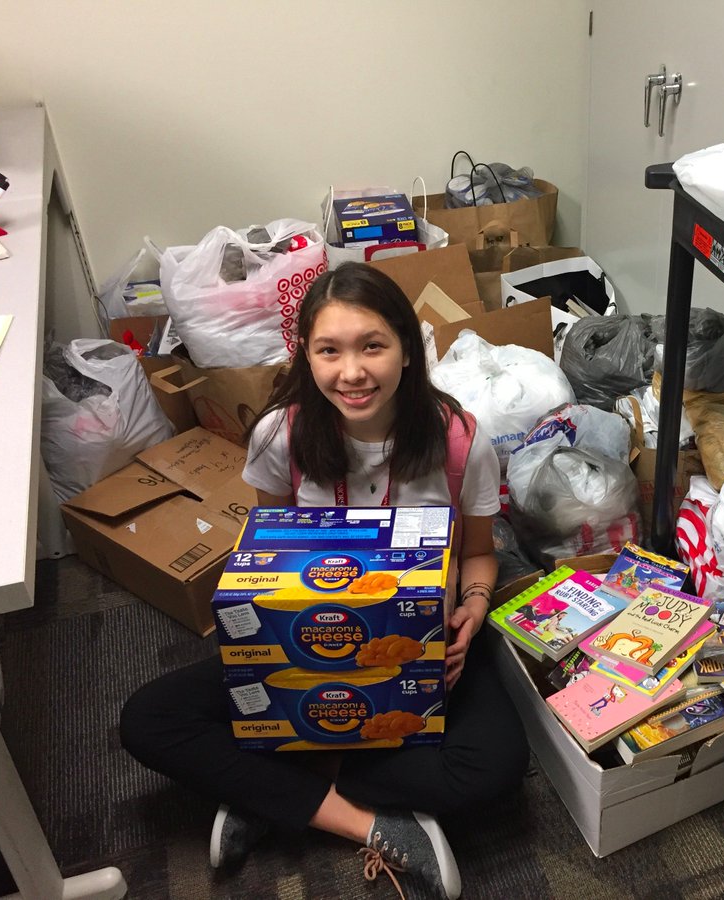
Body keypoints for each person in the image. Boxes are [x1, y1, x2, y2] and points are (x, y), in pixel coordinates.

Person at [120, 262, 529, 900]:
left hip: (422, 655)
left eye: (373, 346)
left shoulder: (457, 441)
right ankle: (368, 820)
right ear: (305, 355)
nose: (352, 372)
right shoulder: (281, 435)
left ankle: (270, 785)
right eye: (328, 350)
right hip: (305, 647)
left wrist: (473, 610)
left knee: (498, 768)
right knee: (148, 719)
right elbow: (266, 554)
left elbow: (479, 555)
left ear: (408, 349)